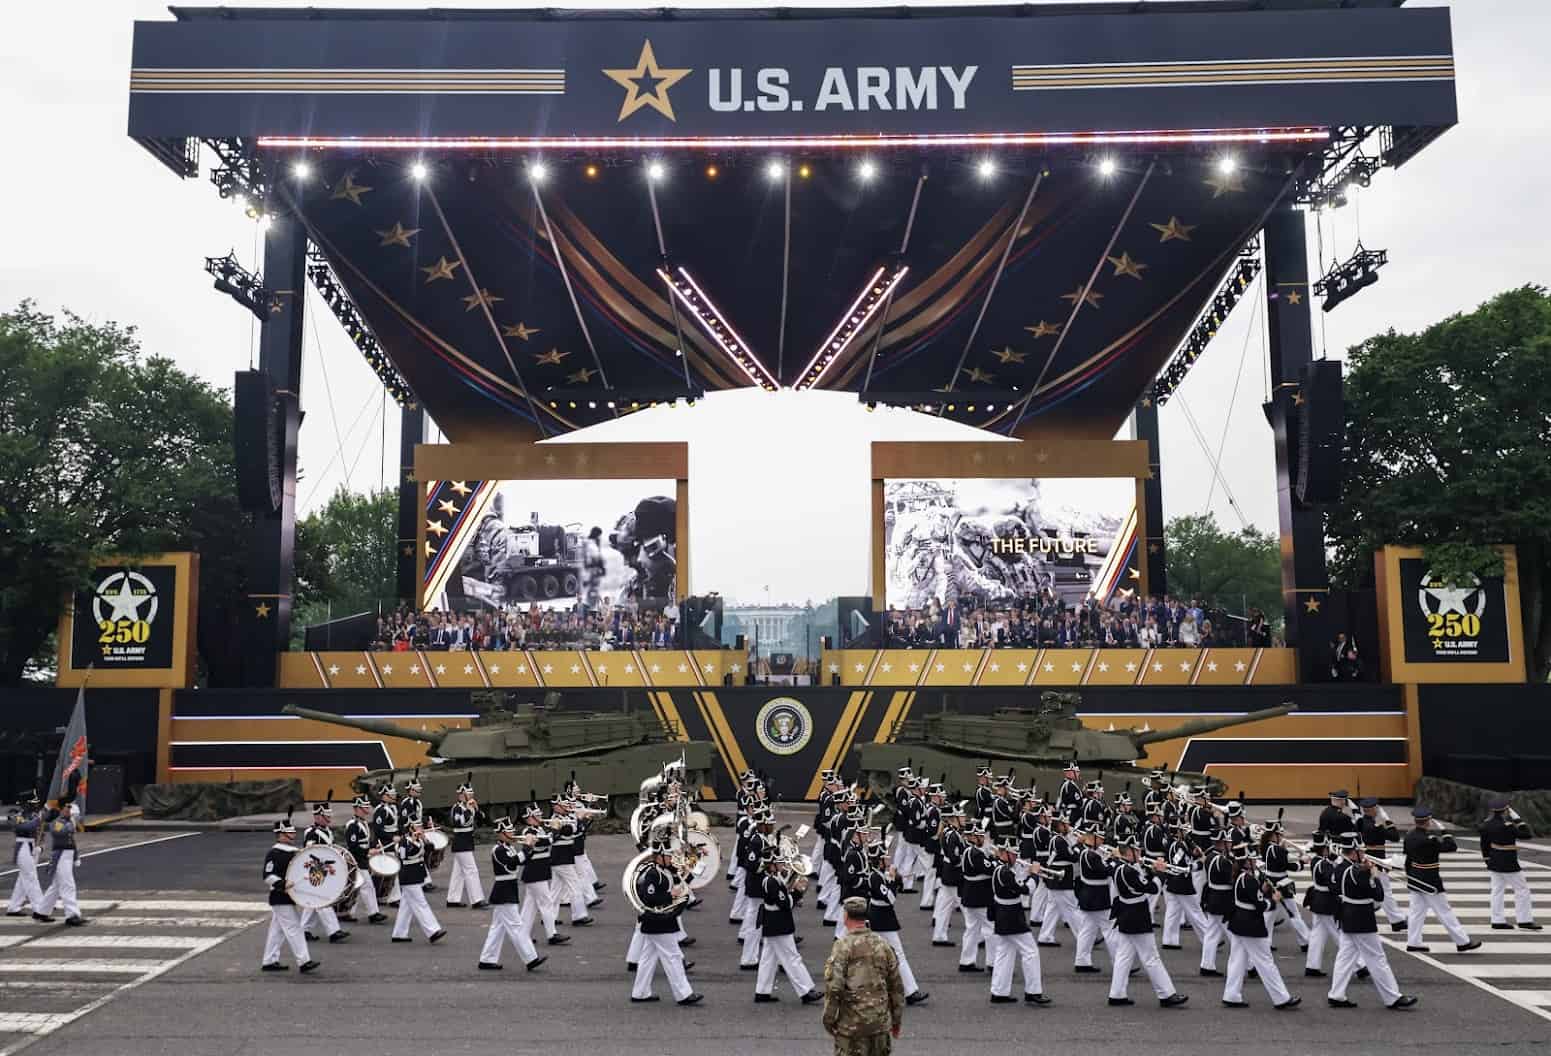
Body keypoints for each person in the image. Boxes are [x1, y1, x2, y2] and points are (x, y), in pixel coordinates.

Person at [1327, 834, 1413, 1010]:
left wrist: (1367, 871)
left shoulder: (1339, 867)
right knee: (1377, 958)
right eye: (1361, 851)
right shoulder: (1358, 872)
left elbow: (1336, 888)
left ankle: (1336, 994)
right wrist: (1375, 875)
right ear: (1355, 852)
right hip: (1361, 918)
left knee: (1345, 957)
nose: (1364, 853)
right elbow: (1379, 896)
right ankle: (1392, 997)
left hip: (1346, 915)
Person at [1107, 837, 1188, 1009]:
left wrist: (1151, 870)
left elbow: (1142, 879)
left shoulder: (1122, 867)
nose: (1140, 853)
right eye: (1136, 850)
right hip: (1136, 915)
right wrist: (1160, 872)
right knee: (1151, 957)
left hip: (1127, 915)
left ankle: (1117, 994)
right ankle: (1167, 994)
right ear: (1129, 852)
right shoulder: (1127, 871)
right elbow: (1151, 888)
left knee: (1123, 956)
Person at [823, 896, 905, 1056]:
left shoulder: (842, 946)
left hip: (852, 1026)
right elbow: (896, 986)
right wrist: (896, 1021)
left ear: (845, 916)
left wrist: (829, 1020)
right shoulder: (883, 945)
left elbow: (834, 988)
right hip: (879, 1024)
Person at [1221, 851, 1299, 1009]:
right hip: (1250, 925)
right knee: (1265, 962)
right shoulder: (1248, 879)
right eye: (1253, 859)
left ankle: (1231, 995)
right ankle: (1281, 998)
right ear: (1247, 862)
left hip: (1238, 922)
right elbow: (1261, 905)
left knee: (1237, 960)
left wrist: (1262, 889)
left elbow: (1252, 897)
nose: (1256, 862)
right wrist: (1274, 900)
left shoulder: (1241, 877)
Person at [631, 838, 703, 1005]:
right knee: (673, 956)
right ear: (659, 857)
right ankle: (684, 994)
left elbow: (683, 882)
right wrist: (670, 895)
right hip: (658, 921)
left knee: (648, 958)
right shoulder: (652, 874)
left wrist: (698, 861)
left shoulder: (666, 870)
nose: (671, 859)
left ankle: (640, 992)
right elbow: (649, 898)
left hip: (660, 921)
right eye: (668, 856)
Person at [1402, 805, 1480, 954]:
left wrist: (1409, 876)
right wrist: (1445, 832)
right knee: (1445, 912)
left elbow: (1408, 858)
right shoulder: (1428, 839)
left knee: (1416, 913)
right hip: (1430, 880)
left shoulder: (1409, 836)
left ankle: (1414, 942)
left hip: (1415, 878)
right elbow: (1451, 847)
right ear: (1428, 821)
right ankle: (1462, 942)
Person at [477, 818, 547, 972]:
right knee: (516, 926)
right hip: (503, 891)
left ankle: (487, 959)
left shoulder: (509, 847)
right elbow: (512, 863)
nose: (513, 832)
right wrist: (527, 847)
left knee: (498, 928)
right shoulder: (498, 850)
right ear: (501, 834)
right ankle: (531, 958)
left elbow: (522, 861)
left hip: (508, 889)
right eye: (509, 831)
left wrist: (531, 847)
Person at [862, 842, 928, 1005]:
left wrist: (894, 879)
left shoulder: (877, 874)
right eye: (885, 858)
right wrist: (892, 879)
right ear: (878, 860)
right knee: (897, 955)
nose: (889, 862)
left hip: (880, 917)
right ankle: (910, 991)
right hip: (882, 918)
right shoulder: (875, 877)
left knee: (876, 956)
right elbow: (890, 899)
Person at [988, 840, 1050, 1006]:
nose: (1016, 857)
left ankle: (999, 992)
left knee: (1005, 952)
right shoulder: (1004, 872)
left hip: (1003, 914)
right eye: (1013, 854)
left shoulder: (1003, 869)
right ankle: (1033, 991)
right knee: (1030, 952)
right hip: (1011, 916)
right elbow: (1025, 890)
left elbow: (1015, 883)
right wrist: (1034, 875)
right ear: (1004, 853)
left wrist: (1024, 872)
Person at [754, 852, 821, 1004]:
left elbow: (783, 897)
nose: (783, 865)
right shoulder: (770, 881)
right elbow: (784, 904)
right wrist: (797, 892)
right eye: (779, 863)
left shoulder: (774, 879)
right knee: (792, 958)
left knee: (768, 958)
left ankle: (762, 992)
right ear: (771, 865)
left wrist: (793, 893)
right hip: (777, 923)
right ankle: (806, 991)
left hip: (773, 922)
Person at [260, 817, 318, 973]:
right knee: (294, 929)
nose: (292, 835)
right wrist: (282, 884)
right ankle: (304, 961)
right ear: (280, 835)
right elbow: (267, 875)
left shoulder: (294, 852)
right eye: (288, 832)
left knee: (277, 931)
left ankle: (269, 961)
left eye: (292, 831)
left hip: (288, 897)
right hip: (280, 896)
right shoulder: (274, 852)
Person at [1480, 796, 1540, 931]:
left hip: (1494, 860)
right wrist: (1518, 819)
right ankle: (1524, 920)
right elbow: (1526, 835)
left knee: (1497, 891)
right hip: (1508, 862)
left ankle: (1497, 920)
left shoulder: (1486, 824)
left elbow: (1484, 845)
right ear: (1506, 810)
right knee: (1522, 890)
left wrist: (1488, 861)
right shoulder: (1508, 826)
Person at [299, 801, 350, 944]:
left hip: (325, 870)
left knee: (313, 903)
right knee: (323, 901)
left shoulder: (327, 831)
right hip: (315, 871)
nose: (329, 818)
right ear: (317, 816)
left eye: (329, 815)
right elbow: (309, 853)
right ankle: (334, 931)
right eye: (325, 816)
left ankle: (303, 930)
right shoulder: (311, 832)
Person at [391, 820, 447, 944]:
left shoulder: (419, 839)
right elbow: (404, 855)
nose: (421, 828)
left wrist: (423, 838)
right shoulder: (404, 842)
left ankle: (399, 934)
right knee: (421, 903)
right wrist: (413, 840)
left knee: (406, 907)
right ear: (411, 828)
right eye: (418, 826)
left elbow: (431, 848)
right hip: (408, 876)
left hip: (416, 875)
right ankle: (432, 931)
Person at [518, 805, 567, 946]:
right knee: (546, 902)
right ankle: (552, 934)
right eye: (537, 815)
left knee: (530, 906)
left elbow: (552, 839)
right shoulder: (528, 831)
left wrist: (556, 829)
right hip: (535, 871)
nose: (540, 816)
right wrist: (555, 830)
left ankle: (523, 934)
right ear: (529, 818)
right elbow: (544, 842)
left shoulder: (539, 829)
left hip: (539, 871)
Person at [1355, 798, 1404, 930]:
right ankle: (1397, 920)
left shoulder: (1360, 822)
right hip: (1377, 860)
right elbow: (1395, 837)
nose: (1377, 810)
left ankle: (1390, 916)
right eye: (1376, 808)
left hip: (1366, 858)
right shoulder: (1376, 826)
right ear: (1371, 809)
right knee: (1385, 891)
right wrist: (1387, 819)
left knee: (1369, 889)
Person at [35, 799, 85, 926]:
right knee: (68, 885)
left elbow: (72, 842)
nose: (70, 810)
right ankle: (72, 915)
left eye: (71, 808)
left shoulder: (67, 821)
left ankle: (41, 911)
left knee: (56, 887)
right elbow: (61, 832)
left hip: (67, 855)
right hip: (60, 856)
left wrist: (76, 857)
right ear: (62, 809)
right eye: (68, 808)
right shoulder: (56, 822)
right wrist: (73, 821)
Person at [341, 795, 387, 924]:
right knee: (367, 886)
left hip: (362, 860)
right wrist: (368, 852)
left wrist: (374, 846)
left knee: (356, 888)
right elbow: (353, 846)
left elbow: (365, 842)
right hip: (356, 860)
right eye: (365, 806)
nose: (368, 808)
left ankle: (346, 912)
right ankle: (373, 913)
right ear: (358, 808)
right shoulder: (353, 825)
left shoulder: (363, 823)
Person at [957, 819, 995, 971]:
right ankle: (992, 963)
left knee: (972, 929)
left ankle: (966, 961)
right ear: (973, 837)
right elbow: (990, 870)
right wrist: (997, 859)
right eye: (980, 836)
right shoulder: (976, 853)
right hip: (980, 896)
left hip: (970, 895)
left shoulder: (969, 851)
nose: (983, 839)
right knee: (990, 929)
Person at [445, 782, 487, 909]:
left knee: (459, 872)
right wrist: (469, 810)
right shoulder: (457, 808)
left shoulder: (470, 806)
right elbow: (458, 823)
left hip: (467, 841)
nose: (472, 795)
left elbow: (482, 820)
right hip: (461, 842)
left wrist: (477, 808)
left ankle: (452, 899)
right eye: (469, 793)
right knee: (471, 870)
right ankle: (477, 900)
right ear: (462, 795)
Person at [5, 791, 43, 918]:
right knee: (31, 878)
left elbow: (38, 831)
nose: (34, 805)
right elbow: (25, 828)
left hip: (31, 846)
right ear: (25, 804)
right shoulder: (17, 815)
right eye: (31, 803)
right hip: (22, 847)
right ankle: (40, 908)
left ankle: (14, 907)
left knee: (23, 880)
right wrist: (39, 819)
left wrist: (39, 845)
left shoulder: (33, 815)